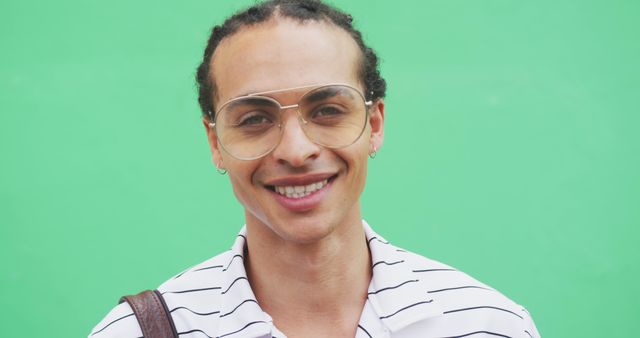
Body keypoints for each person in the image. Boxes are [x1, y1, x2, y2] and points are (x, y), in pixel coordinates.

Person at [89, 1, 540, 337]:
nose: (296, 150)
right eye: (254, 118)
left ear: (374, 124)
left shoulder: (490, 325)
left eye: (326, 109)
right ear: (216, 143)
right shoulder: (136, 333)